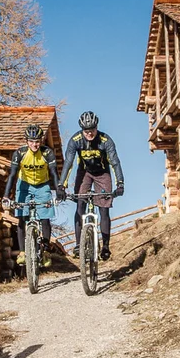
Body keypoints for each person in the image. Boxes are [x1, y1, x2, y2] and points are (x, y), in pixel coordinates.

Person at [57, 110, 124, 261]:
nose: (89, 134)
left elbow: (114, 162)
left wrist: (120, 183)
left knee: (104, 209)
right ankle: (78, 245)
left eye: (92, 130)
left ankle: (106, 246)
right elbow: (68, 163)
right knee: (80, 205)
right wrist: (62, 186)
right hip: (84, 172)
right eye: (86, 131)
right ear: (82, 130)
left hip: (102, 174)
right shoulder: (76, 140)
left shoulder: (105, 140)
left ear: (96, 127)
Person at [1, 124, 59, 268]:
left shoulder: (47, 153)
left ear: (41, 140)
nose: (35, 144)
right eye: (32, 141)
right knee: (21, 217)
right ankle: (22, 252)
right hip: (24, 185)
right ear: (27, 141)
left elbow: (54, 173)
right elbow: (12, 175)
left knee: (45, 217)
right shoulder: (19, 153)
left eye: (37, 141)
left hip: (42, 185)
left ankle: (45, 251)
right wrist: (6, 196)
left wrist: (59, 192)